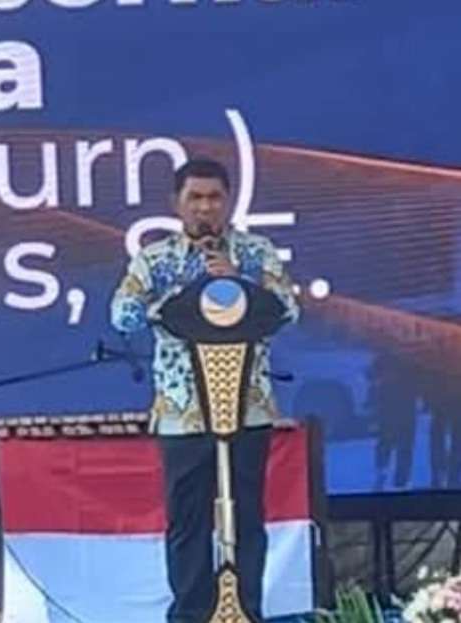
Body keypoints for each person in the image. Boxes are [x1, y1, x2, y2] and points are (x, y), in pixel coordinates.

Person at [111, 158, 299, 623]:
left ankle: (246, 611)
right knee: (188, 520)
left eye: (214, 197)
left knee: (247, 517)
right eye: (195, 197)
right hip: (183, 410)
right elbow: (122, 316)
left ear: (228, 201)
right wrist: (181, 298)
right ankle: (191, 615)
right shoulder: (156, 258)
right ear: (176, 203)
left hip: (246, 406)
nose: (205, 207)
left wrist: (238, 281)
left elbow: (288, 311)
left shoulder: (256, 252)